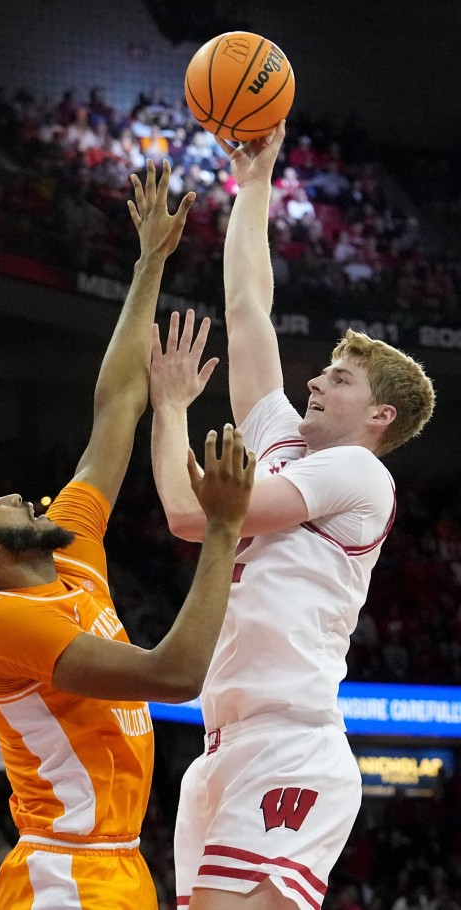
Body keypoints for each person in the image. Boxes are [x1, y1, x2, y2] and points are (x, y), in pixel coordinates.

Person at [0, 160, 254, 909]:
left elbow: (117, 407)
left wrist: (150, 263)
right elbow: (173, 677)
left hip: (120, 867)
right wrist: (222, 527)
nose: (14, 492)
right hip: (64, 874)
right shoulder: (2, 624)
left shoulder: (72, 553)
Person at [148, 120, 436, 910]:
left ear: (380, 415)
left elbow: (189, 515)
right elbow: (248, 308)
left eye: (338, 380)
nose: (315, 383)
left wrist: (169, 407)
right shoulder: (279, 441)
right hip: (218, 747)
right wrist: (253, 183)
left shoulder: (359, 477)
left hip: (290, 742)